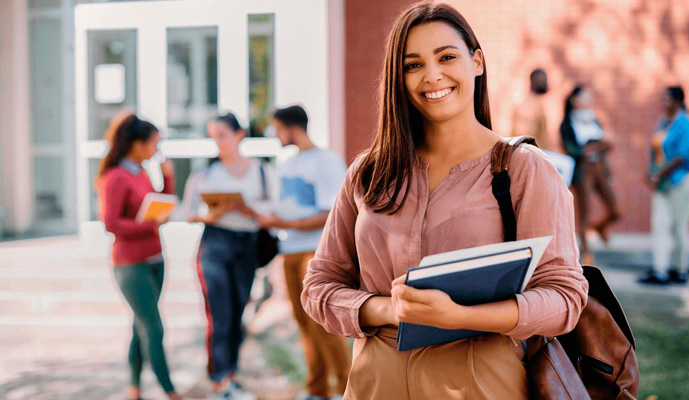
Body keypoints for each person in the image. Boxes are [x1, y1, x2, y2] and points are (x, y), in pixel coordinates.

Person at [300, 3, 588, 399]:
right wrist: (389, 309)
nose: (432, 75)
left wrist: (461, 317)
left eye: (447, 57)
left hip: (481, 385)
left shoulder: (525, 170)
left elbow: (565, 298)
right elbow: (318, 287)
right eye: (412, 65)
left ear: (477, 62)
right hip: (374, 386)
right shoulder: (367, 172)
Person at [256, 105, 350, 400]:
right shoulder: (287, 164)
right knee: (303, 325)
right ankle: (317, 390)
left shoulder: (326, 161)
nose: (275, 135)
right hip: (290, 250)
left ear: (292, 127)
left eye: (277, 128)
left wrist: (285, 222)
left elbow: (332, 212)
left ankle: (347, 389)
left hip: (317, 251)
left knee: (322, 324)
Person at [181, 113, 273, 400]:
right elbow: (189, 213)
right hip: (215, 243)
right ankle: (220, 379)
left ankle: (231, 374)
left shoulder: (260, 171)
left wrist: (250, 212)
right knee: (219, 313)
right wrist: (215, 213)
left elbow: (273, 211)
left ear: (239, 135)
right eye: (213, 136)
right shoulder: (206, 173)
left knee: (238, 312)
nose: (217, 141)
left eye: (222, 134)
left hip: (248, 244)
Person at [96, 112, 181, 400]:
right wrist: (148, 226)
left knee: (141, 324)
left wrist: (168, 179)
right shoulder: (115, 177)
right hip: (131, 265)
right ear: (136, 143)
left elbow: (160, 205)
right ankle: (170, 391)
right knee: (153, 327)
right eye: (153, 144)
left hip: (156, 259)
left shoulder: (141, 172)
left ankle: (133, 387)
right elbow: (111, 223)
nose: (157, 150)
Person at [639, 86, 689, 285]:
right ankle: (660, 270)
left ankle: (681, 270)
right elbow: (656, 152)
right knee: (659, 223)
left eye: (667, 99)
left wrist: (658, 174)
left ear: (677, 101)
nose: (663, 102)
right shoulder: (663, 123)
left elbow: (681, 156)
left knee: (679, 225)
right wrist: (650, 173)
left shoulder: (686, 123)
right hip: (663, 184)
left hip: (684, 181)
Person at [560, 86, 620, 263]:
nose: (587, 102)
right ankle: (585, 252)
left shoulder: (594, 120)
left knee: (615, 209)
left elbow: (607, 144)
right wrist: (591, 149)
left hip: (599, 168)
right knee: (584, 212)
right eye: (583, 98)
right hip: (583, 170)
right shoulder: (568, 123)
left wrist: (593, 149)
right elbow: (571, 149)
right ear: (574, 100)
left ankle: (600, 226)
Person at [511, 68, 550, 150]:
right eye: (541, 79)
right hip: (531, 153)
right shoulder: (527, 107)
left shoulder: (539, 104)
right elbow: (524, 138)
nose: (545, 82)